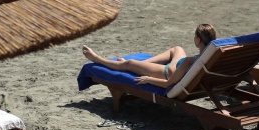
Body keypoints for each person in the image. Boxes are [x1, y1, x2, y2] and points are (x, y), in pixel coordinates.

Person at [82, 24, 216, 88]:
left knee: (129, 64)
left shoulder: (188, 61)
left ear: (198, 40)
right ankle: (144, 64)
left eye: (195, 37)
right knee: (177, 49)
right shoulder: (212, 55)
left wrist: (148, 79)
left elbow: (168, 84)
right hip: (179, 67)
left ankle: (97, 59)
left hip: (168, 73)